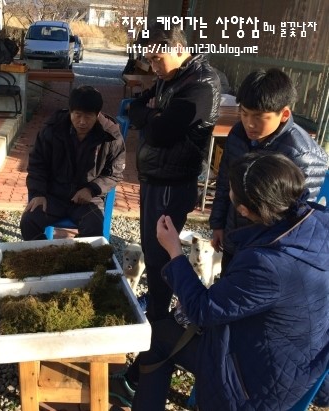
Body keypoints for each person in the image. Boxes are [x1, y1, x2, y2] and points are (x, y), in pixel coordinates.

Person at [135, 152, 329, 411]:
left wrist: (174, 251)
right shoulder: (317, 222)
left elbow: (203, 310)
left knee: (158, 337)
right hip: (298, 356)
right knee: (174, 323)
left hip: (257, 380)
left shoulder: (266, 263)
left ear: (243, 209)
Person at [130, 20, 221, 322]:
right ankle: (157, 302)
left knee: (159, 252)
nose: (153, 66)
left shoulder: (201, 84)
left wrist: (151, 116)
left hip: (173, 180)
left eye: (157, 58)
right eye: (149, 59)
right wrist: (152, 114)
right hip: (155, 176)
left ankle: (159, 318)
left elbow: (160, 133)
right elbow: (134, 107)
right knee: (150, 245)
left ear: (179, 48)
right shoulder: (169, 77)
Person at [210, 68, 328, 275]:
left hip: (268, 254)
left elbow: (301, 220)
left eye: (259, 117)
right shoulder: (238, 134)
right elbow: (225, 181)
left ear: (284, 114)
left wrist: (268, 256)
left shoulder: (302, 155)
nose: (249, 123)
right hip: (234, 237)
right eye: (244, 113)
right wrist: (218, 224)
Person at [20, 85, 126, 240]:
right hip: (53, 195)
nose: (82, 122)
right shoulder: (52, 130)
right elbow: (37, 164)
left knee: (93, 226)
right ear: (70, 112)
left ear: (98, 115)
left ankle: (79, 256)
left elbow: (114, 173)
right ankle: (44, 252)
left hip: (87, 199)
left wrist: (91, 189)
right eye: (77, 115)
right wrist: (38, 193)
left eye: (88, 116)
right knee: (29, 221)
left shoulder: (111, 137)